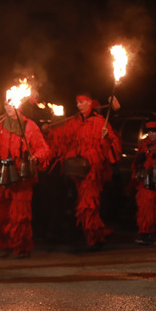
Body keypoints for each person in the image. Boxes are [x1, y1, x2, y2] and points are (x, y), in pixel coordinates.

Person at [0, 101, 52, 259]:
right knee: (0, 211)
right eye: (6, 104)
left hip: (21, 175)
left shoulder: (29, 126)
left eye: (11, 103)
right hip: (3, 173)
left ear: (18, 106)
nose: (8, 106)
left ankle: (21, 247)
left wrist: (36, 157)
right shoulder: (1, 125)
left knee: (19, 213)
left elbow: (44, 148)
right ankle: (4, 244)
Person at [45, 94, 122, 250]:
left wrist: (106, 138)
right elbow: (62, 136)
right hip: (79, 170)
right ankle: (94, 236)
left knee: (89, 203)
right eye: (77, 103)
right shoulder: (75, 122)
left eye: (81, 102)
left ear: (88, 103)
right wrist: (49, 132)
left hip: (93, 169)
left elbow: (113, 144)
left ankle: (92, 238)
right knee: (84, 202)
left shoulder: (100, 122)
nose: (78, 105)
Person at [130, 119, 156, 245]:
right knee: (145, 207)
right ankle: (145, 233)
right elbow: (136, 165)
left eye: (154, 132)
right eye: (149, 132)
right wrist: (139, 160)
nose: (151, 134)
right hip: (147, 181)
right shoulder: (143, 145)